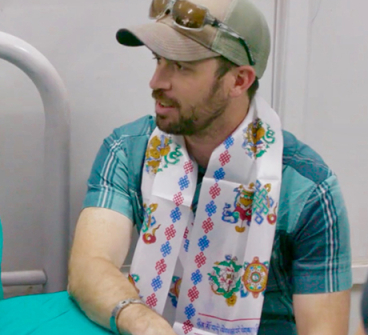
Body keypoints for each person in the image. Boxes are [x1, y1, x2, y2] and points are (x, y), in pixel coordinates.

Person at [67, 0, 351, 334]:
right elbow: (89, 266)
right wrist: (145, 325)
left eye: (182, 67)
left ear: (239, 81)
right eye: (158, 61)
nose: (156, 82)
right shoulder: (129, 150)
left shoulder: (308, 190)